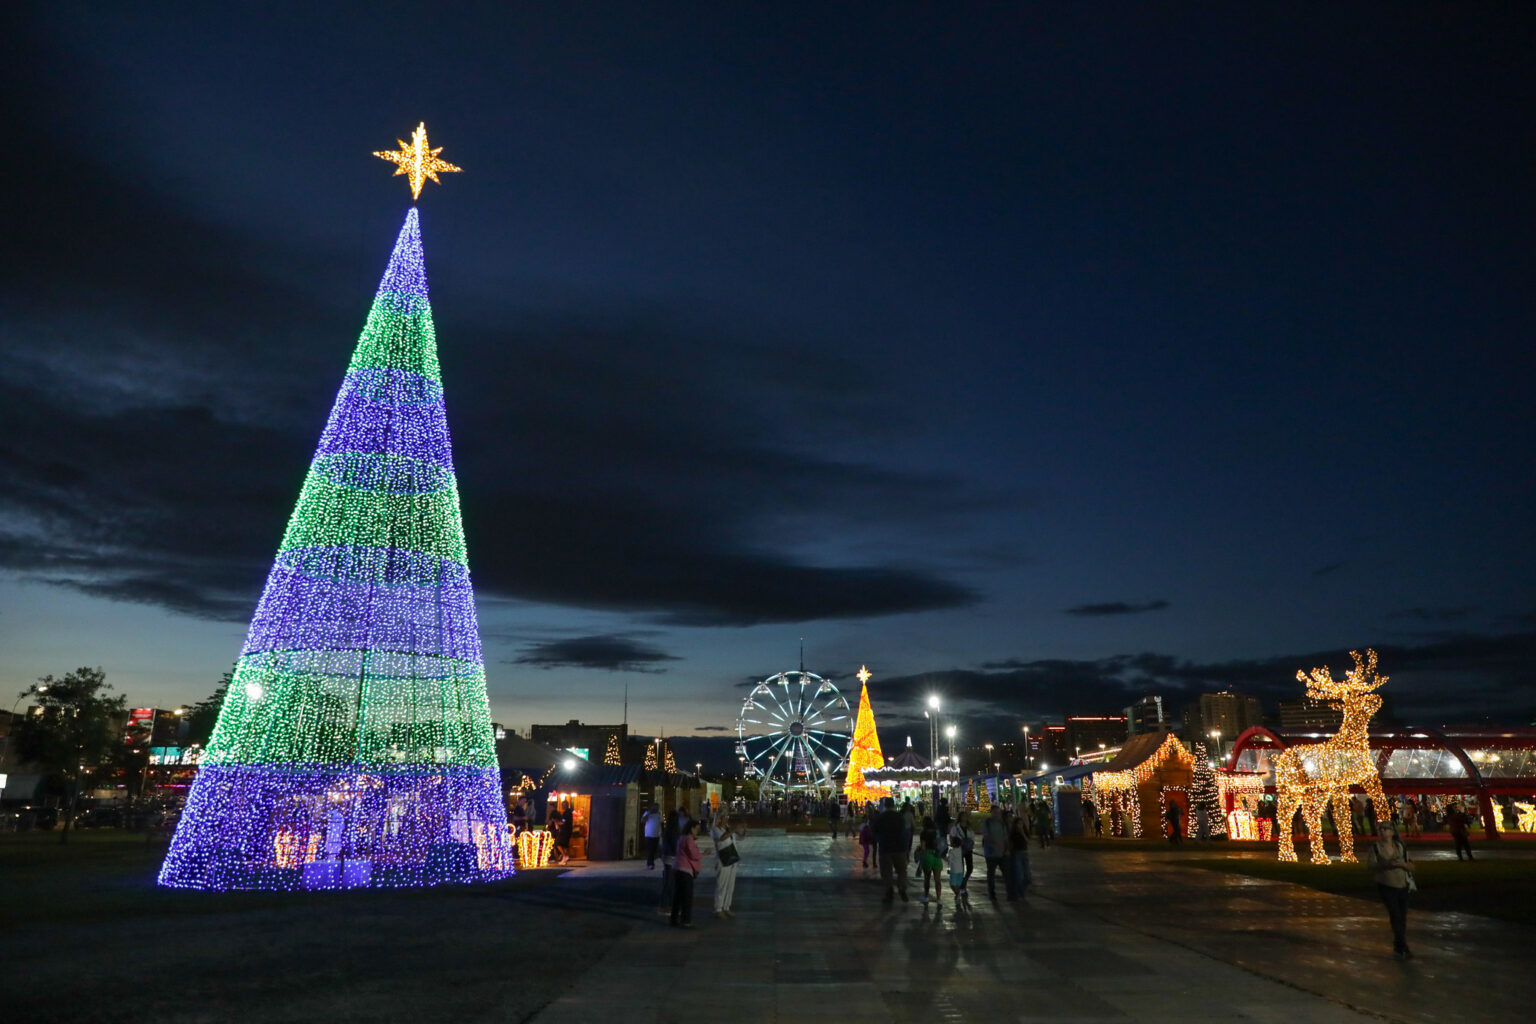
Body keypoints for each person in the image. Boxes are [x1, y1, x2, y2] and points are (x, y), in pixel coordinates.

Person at [1365, 821, 1415, 959]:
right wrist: (1386, 864)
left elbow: (1412, 866)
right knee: (1395, 915)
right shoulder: (1376, 848)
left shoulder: (1400, 847)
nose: (1382, 832)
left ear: (1392, 832)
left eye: (1385, 829)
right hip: (1386, 885)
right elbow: (1370, 866)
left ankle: (1400, 943)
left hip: (1402, 885)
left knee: (1402, 917)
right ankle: (1401, 946)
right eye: (1380, 829)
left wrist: (1402, 864)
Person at [873, 797, 909, 903]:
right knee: (902, 871)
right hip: (900, 848)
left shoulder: (881, 817)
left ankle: (889, 892)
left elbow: (874, 831)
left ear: (885, 805)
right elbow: (905, 832)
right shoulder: (899, 817)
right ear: (893, 805)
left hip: (886, 848)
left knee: (886, 872)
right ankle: (902, 888)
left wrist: (879, 840)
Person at [711, 812, 745, 918]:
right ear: (719, 819)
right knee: (722, 884)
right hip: (723, 860)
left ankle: (726, 907)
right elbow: (722, 838)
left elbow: (739, 838)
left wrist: (743, 830)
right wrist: (733, 830)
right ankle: (718, 908)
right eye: (724, 817)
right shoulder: (715, 830)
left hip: (732, 858)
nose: (726, 819)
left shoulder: (727, 828)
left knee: (730, 885)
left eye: (727, 817)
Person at [670, 820, 703, 928]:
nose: (697, 831)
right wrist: (702, 853)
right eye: (696, 829)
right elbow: (693, 854)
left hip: (678, 868)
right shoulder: (688, 839)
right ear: (691, 828)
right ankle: (686, 921)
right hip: (685, 870)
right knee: (686, 897)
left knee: (678, 896)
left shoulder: (682, 837)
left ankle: (674, 920)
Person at [980, 806, 1009, 901]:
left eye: (998, 812)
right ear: (991, 812)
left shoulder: (1001, 823)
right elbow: (986, 836)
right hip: (991, 853)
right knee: (991, 873)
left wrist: (1006, 848)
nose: (997, 814)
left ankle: (1010, 892)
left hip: (1001, 852)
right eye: (995, 812)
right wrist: (995, 845)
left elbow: (1005, 836)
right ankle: (991, 893)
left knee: (1006, 873)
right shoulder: (987, 823)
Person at [658, 809, 679, 914]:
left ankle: (667, 906)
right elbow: (675, 846)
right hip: (672, 859)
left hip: (667, 858)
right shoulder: (674, 831)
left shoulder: (667, 830)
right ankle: (666, 906)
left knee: (668, 883)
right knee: (670, 884)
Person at [1006, 811, 1031, 900]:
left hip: (1024, 853)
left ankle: (1021, 891)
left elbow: (1028, 841)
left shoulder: (1024, 831)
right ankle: (1021, 893)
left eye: (1021, 823)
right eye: (1018, 823)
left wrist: (1022, 833)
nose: (1020, 825)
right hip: (1016, 853)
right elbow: (1009, 842)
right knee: (1019, 875)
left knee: (1027, 876)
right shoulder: (1013, 833)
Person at [917, 816, 942, 904]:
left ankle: (926, 896)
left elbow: (923, 847)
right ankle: (939, 898)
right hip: (937, 856)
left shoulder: (923, 833)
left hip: (928, 855)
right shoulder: (936, 832)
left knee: (927, 878)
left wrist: (919, 850)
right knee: (937, 879)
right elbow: (940, 843)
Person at [948, 809, 976, 883]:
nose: (964, 818)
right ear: (960, 818)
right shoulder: (956, 828)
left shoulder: (969, 828)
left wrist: (971, 843)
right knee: (961, 867)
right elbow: (952, 837)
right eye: (963, 816)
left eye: (965, 816)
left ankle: (964, 880)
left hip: (968, 849)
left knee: (970, 868)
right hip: (959, 849)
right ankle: (961, 883)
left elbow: (973, 837)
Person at [945, 832, 970, 910]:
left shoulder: (951, 851)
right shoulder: (960, 850)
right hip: (960, 869)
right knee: (958, 883)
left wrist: (948, 868)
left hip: (954, 870)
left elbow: (949, 860)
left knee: (952, 884)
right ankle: (958, 894)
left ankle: (957, 894)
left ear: (954, 844)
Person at [641, 804, 663, 869]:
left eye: (657, 807)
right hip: (648, 835)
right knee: (649, 850)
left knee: (653, 850)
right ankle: (650, 864)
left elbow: (662, 823)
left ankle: (651, 863)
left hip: (656, 835)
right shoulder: (647, 813)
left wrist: (662, 832)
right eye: (655, 807)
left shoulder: (659, 814)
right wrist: (649, 813)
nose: (656, 809)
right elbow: (642, 820)